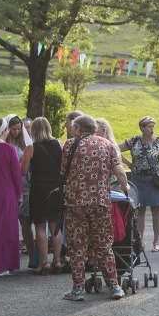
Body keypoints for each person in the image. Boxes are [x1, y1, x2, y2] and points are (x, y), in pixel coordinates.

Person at [61, 114, 131, 301]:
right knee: (104, 244)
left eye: (73, 128)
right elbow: (119, 170)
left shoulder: (69, 145)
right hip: (100, 201)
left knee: (77, 245)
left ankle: (77, 289)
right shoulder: (107, 145)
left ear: (78, 129)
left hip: (76, 202)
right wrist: (125, 187)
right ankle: (114, 286)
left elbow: (63, 172)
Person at [118, 117, 159, 252]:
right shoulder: (134, 140)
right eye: (149, 127)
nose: (152, 129)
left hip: (154, 179)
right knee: (140, 209)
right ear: (142, 128)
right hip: (138, 178)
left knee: (156, 209)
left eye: (153, 126)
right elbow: (116, 149)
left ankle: (156, 241)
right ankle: (139, 241)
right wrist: (128, 164)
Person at [21, 117, 64, 275]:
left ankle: (44, 261)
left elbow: (23, 171)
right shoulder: (59, 144)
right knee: (55, 225)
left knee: (40, 225)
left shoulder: (31, 147)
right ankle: (57, 261)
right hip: (56, 188)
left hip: (38, 188)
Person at [0, 118, 22, 276]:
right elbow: (16, 175)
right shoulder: (9, 149)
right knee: (6, 229)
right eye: (7, 129)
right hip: (6, 193)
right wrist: (19, 195)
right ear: (2, 131)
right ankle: (1, 266)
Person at [6, 115, 34, 267]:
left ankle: (32, 256)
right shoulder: (4, 144)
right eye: (12, 129)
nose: (15, 132)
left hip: (24, 186)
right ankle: (8, 258)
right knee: (8, 224)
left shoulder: (25, 144)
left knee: (25, 222)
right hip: (7, 187)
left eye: (18, 129)